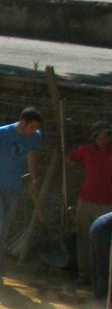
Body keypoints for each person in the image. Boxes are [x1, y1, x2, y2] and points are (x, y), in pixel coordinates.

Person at [0, 108, 45, 286]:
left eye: (36, 127)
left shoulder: (34, 136)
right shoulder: (1, 133)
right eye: (32, 126)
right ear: (23, 122)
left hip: (14, 188)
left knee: (2, 232)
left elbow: (32, 157)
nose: (34, 130)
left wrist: (34, 180)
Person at [69, 123, 112, 288]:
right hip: (86, 200)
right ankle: (84, 275)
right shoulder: (86, 151)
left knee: (103, 241)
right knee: (83, 237)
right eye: (99, 138)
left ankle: (101, 278)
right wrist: (82, 169)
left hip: (107, 204)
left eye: (105, 138)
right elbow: (70, 158)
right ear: (94, 139)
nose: (102, 141)